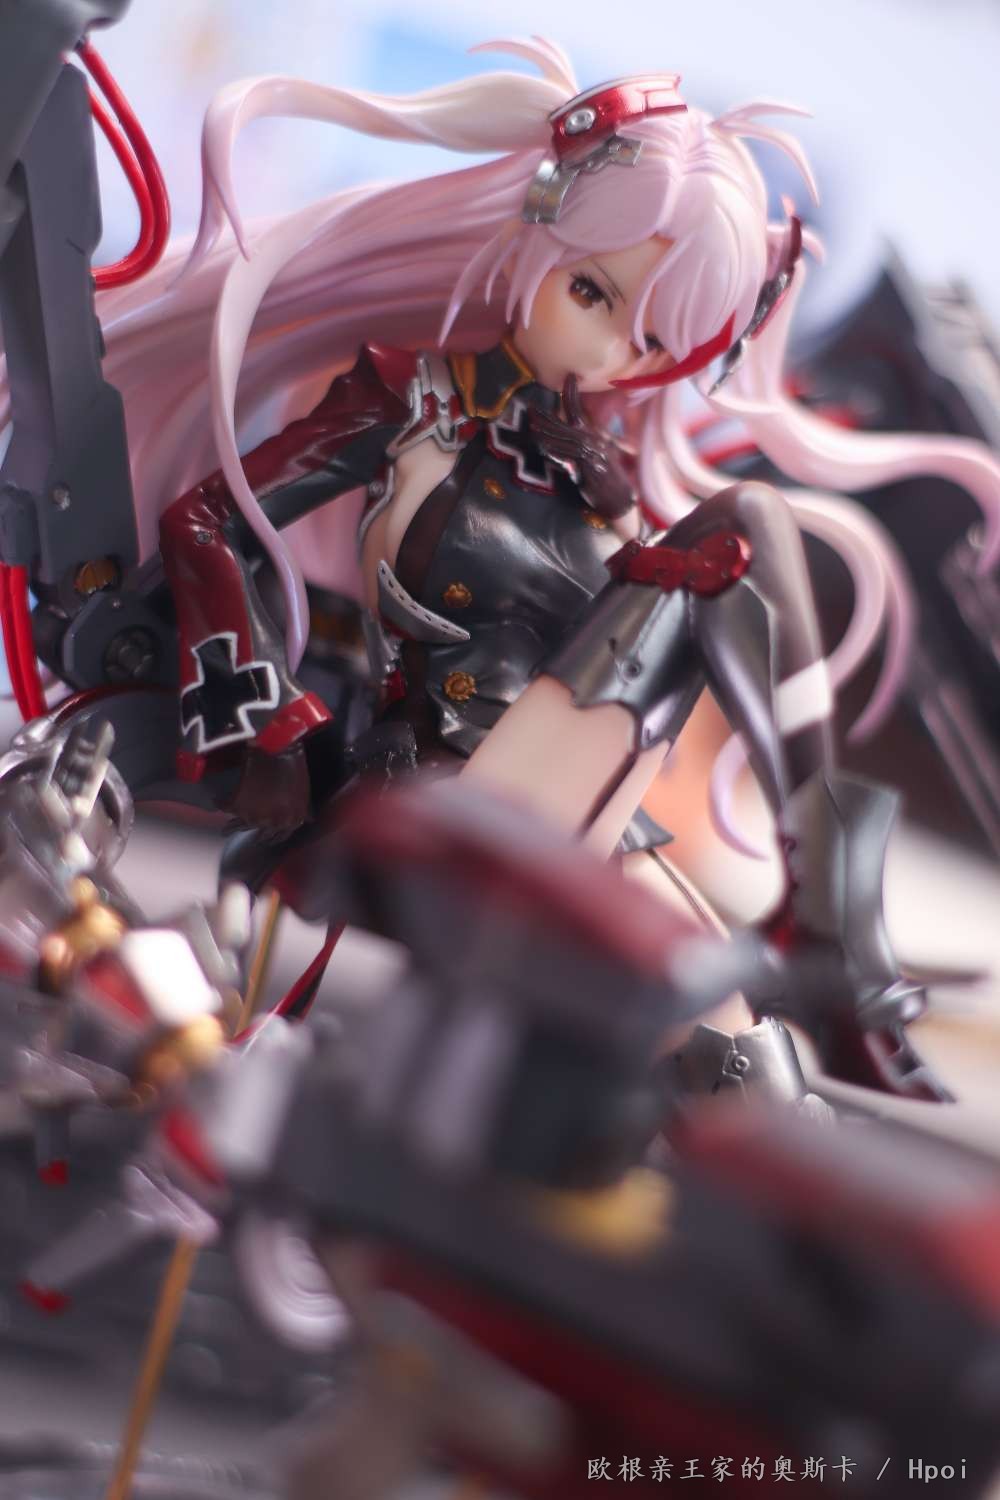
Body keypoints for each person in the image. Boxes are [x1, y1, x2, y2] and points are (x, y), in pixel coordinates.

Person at [82, 40, 1000, 1099]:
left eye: (650, 339)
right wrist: (262, 717)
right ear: (539, 236)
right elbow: (207, 518)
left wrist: (617, 503)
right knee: (744, 523)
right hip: (446, 796)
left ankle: (821, 937)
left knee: (755, 1084)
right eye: (593, 294)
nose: (611, 355)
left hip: (586, 814)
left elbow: (627, 642)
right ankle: (831, 925)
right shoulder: (409, 401)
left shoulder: (593, 468)